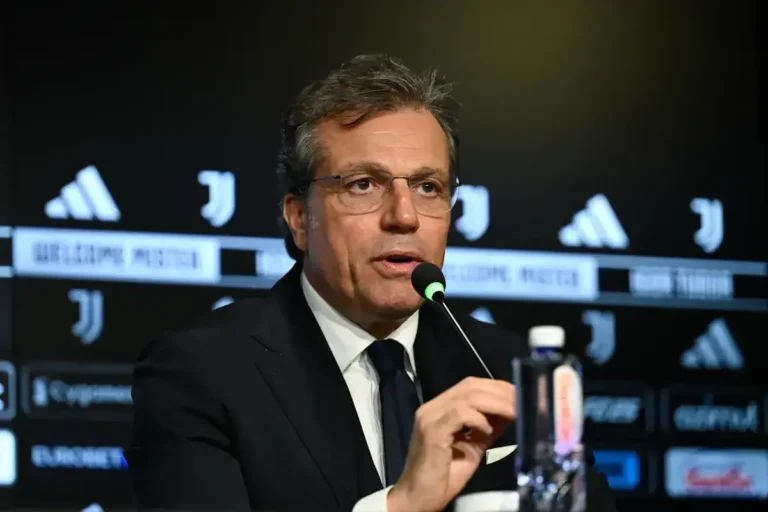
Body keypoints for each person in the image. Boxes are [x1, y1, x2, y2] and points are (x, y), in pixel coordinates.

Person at [125, 54, 617, 512]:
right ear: (298, 218)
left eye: (428, 187)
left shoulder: (510, 370)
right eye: (363, 184)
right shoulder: (201, 373)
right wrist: (400, 505)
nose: (404, 217)